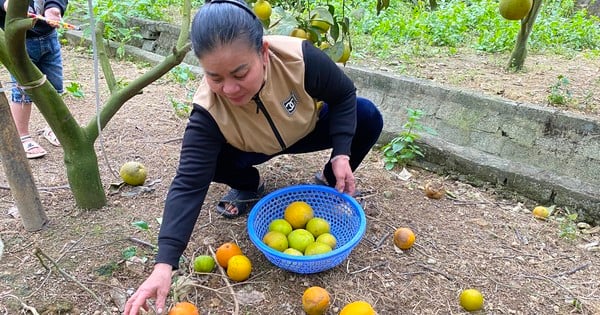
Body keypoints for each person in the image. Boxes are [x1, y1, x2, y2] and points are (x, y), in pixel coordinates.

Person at [124, 0, 383, 313]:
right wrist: (165, 263)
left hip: (304, 129)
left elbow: (343, 96)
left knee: (366, 115)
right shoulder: (207, 112)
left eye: (239, 72)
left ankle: (329, 183)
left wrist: (342, 153)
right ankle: (249, 184)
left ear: (263, 52)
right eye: (215, 77)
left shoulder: (298, 57)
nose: (230, 89)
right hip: (250, 146)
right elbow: (188, 183)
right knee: (209, 164)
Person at [0, 0, 66, 159]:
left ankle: (53, 127)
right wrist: (7, 5)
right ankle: (22, 136)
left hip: (49, 36)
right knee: (23, 91)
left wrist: (53, 7)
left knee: (55, 87)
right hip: (18, 41)